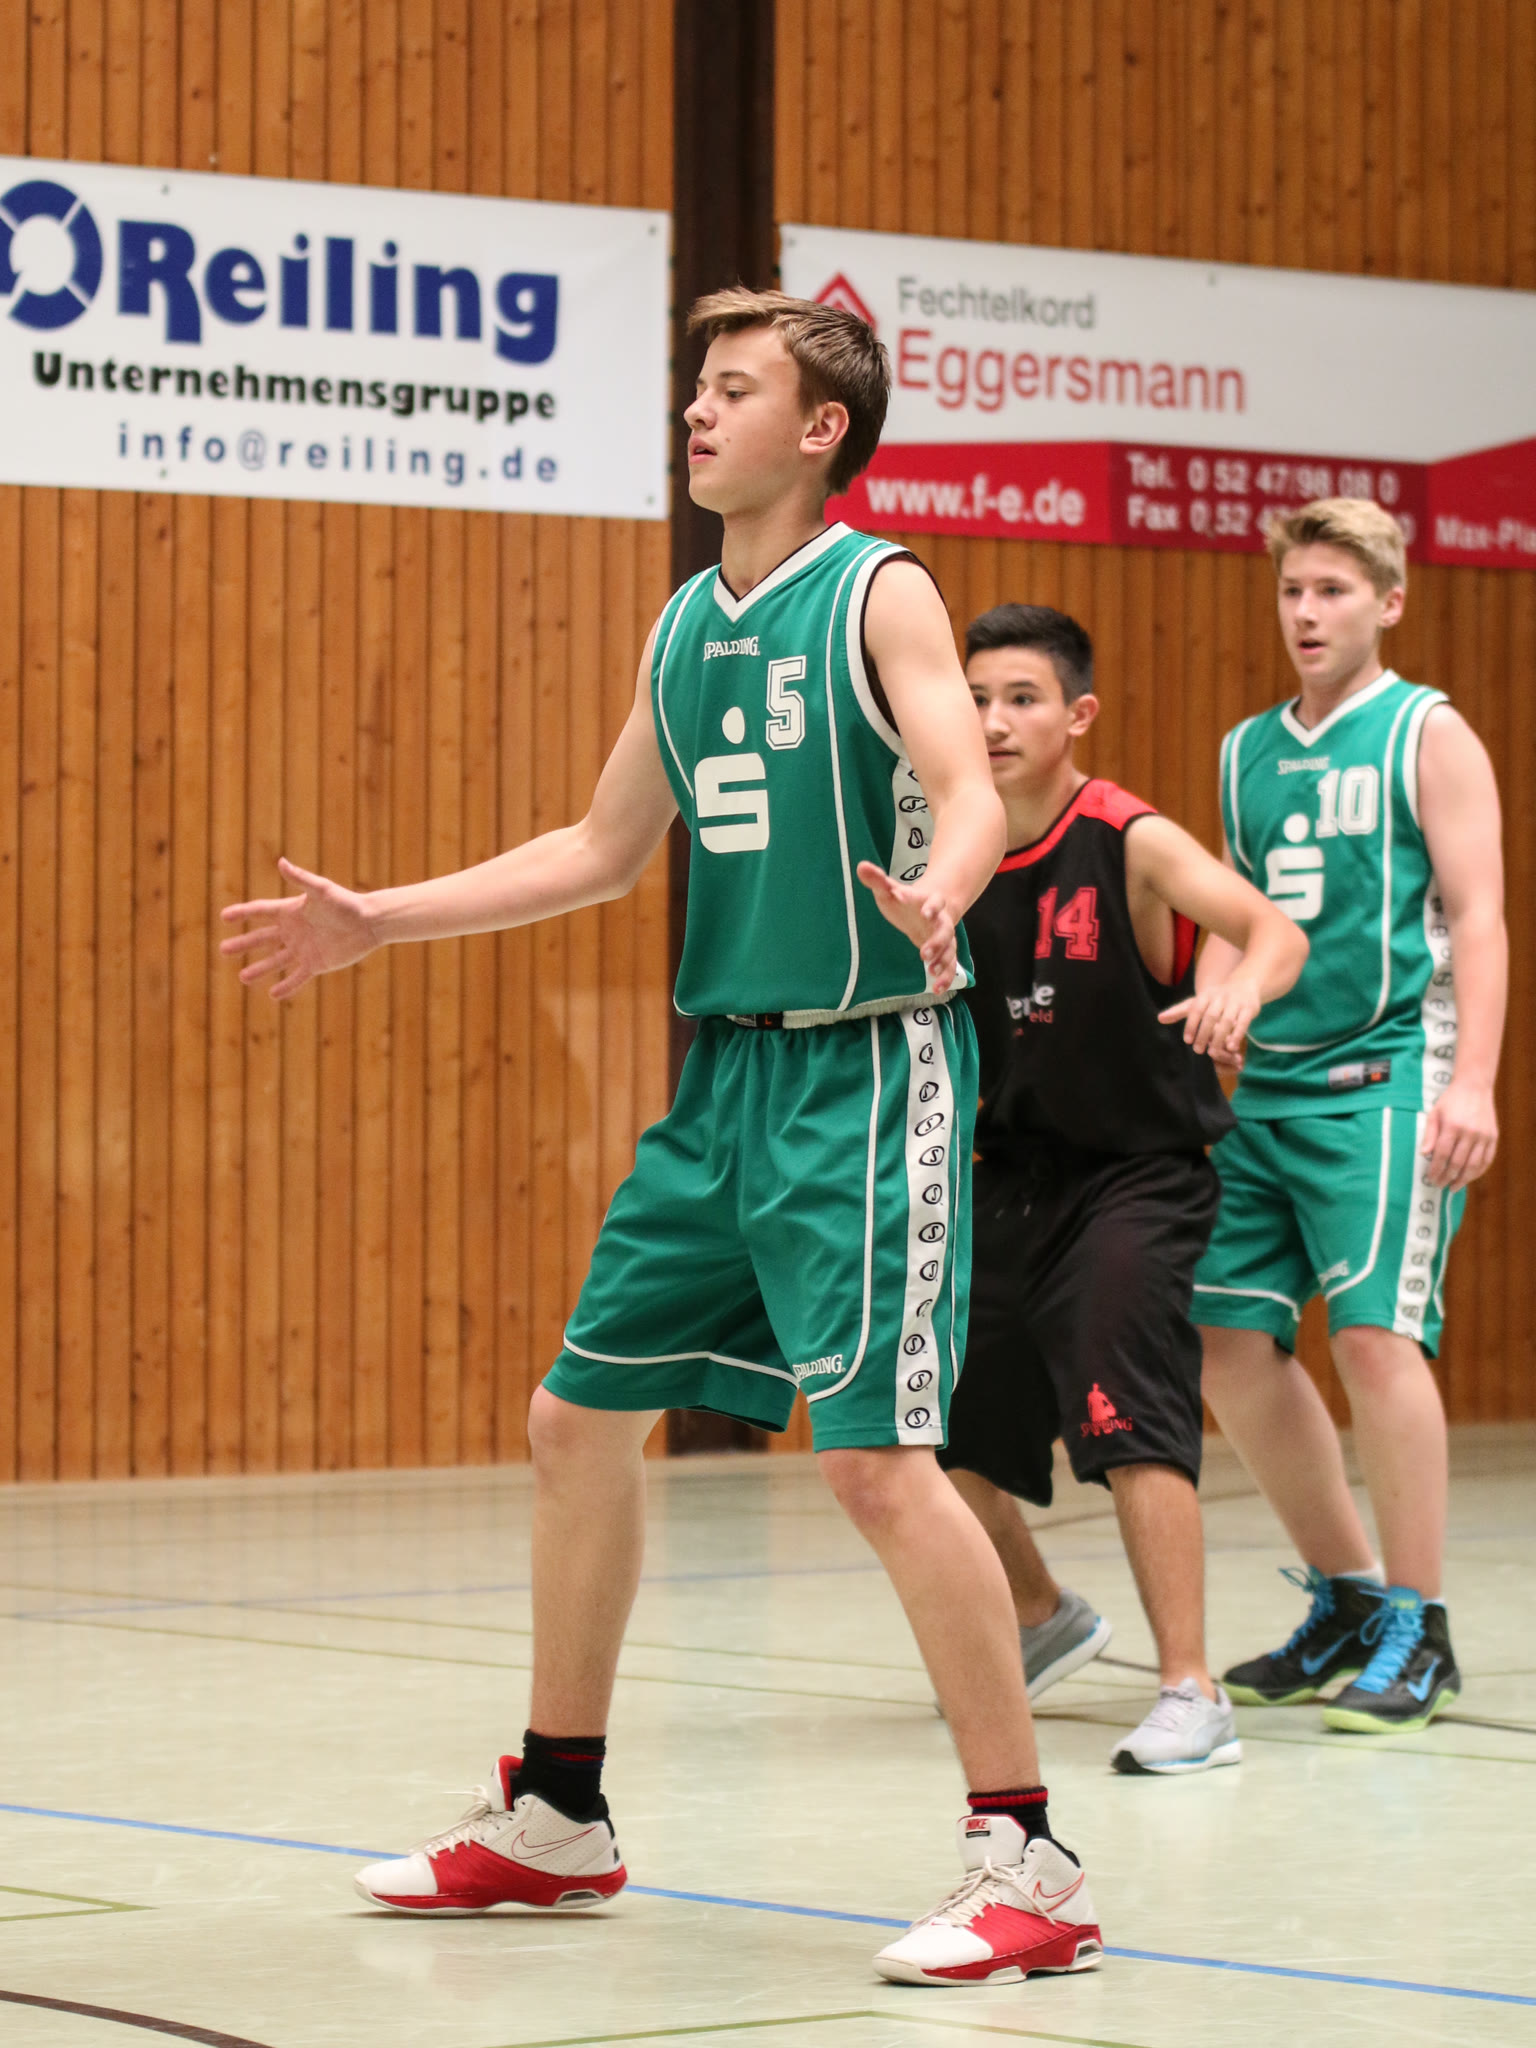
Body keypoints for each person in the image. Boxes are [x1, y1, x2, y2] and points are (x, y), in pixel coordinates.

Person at [221, 290, 1104, 1986]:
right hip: (722, 1089)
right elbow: (601, 846)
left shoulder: (882, 589)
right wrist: (381, 918)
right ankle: (560, 1810)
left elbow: (969, 784)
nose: (699, 411)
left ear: (822, 430)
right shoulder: (688, 621)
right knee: (576, 1419)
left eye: (735, 388)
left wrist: (946, 886)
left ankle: (1030, 1860)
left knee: (875, 1463)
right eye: (697, 386)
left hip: (865, 1071)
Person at [939, 604, 1308, 1774]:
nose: (995, 721)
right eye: (977, 697)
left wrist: (1241, 986)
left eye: (1022, 698)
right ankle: (1040, 1613)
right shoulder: (948, 847)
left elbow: (1270, 925)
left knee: (1126, 1408)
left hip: (1137, 1177)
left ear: (1077, 714)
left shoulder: (1126, 836)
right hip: (1007, 1176)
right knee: (926, 1417)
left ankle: (1192, 1690)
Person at [1195, 498, 1506, 1733]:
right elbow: (1242, 918)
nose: (1307, 612)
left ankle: (1421, 1626)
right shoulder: (1246, 751)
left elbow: (1478, 915)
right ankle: (1350, 1595)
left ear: (1388, 602)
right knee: (1225, 1339)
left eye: (1332, 590)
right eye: (1293, 590)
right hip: (1269, 1084)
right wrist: (1220, 997)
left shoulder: (1428, 731)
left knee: (1376, 1338)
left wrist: (1474, 1080)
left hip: (1388, 1074)